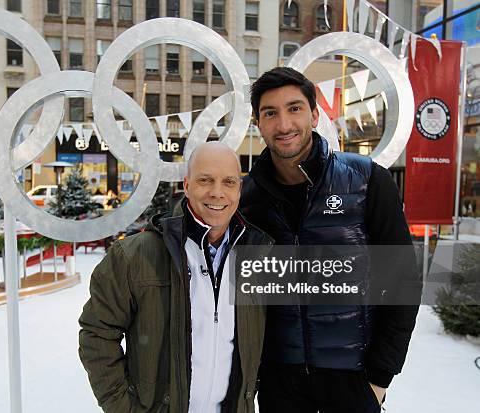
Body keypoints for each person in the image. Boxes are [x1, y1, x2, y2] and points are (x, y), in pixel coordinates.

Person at [240, 67, 421, 413]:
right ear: (257, 122)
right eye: (270, 113)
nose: (284, 124)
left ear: (314, 113)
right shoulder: (247, 198)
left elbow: (403, 282)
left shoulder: (367, 180)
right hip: (281, 384)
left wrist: (379, 378)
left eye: (294, 108)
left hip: (353, 380)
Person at [79, 142, 272, 412]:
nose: (217, 192)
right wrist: (124, 408)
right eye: (205, 180)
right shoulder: (135, 256)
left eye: (229, 182)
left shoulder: (259, 254)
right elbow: (97, 333)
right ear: (187, 185)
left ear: (239, 190)